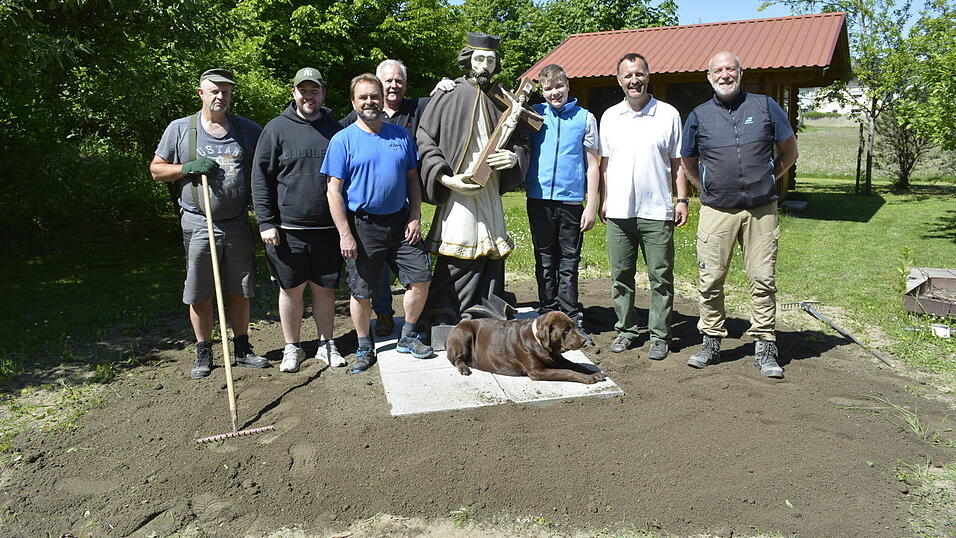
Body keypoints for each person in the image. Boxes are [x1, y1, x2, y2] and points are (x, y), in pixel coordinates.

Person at [681, 51, 798, 378]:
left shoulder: (764, 106)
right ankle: (711, 340)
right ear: (709, 76)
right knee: (711, 279)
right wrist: (703, 187)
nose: (724, 75)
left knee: (763, 278)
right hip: (716, 211)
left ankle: (765, 344)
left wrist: (769, 176)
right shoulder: (699, 116)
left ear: (740, 73)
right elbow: (688, 161)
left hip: (761, 211)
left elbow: (790, 151)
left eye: (729, 69)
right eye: (717, 70)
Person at [149, 68, 269, 379]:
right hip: (199, 222)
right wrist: (187, 167)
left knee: (241, 287)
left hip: (237, 222)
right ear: (201, 93)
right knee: (200, 289)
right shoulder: (181, 130)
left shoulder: (246, 130)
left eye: (225, 91)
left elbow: (268, 163)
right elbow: (156, 170)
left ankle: (242, 347)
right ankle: (204, 350)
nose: (220, 96)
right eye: (214, 91)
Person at [324, 73, 434, 374]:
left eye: (375, 96)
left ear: (382, 98)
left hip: (401, 223)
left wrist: (415, 216)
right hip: (362, 227)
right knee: (362, 292)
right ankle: (363, 346)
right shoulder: (343, 140)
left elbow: (413, 179)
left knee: (421, 277)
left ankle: (408, 335)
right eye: (364, 97)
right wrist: (345, 233)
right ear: (354, 101)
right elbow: (333, 190)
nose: (370, 102)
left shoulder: (400, 136)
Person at [417, 32, 530, 323]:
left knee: (490, 249)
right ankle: (445, 309)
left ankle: (486, 306)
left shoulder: (504, 99)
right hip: (459, 186)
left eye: (491, 60)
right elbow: (424, 138)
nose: (484, 65)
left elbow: (520, 138)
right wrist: (443, 177)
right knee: (458, 245)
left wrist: (514, 158)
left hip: (489, 186)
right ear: (468, 61)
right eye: (479, 58)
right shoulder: (449, 93)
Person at [341, 60, 454, 338]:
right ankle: (383, 317)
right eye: (388, 81)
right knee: (372, 278)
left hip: (402, 212)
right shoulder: (348, 127)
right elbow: (335, 179)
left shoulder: (417, 109)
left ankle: (411, 329)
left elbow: (444, 105)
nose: (394, 85)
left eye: (398, 81)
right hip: (365, 219)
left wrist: (445, 88)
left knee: (417, 273)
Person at [251, 67, 346, 374]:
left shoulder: (335, 130)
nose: (309, 96)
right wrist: (266, 221)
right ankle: (293, 347)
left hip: (328, 229)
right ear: (293, 92)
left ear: (323, 93)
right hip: (287, 229)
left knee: (324, 289)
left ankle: (325, 344)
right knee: (291, 289)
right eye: (303, 90)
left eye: (314, 90)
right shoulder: (276, 129)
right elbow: (260, 178)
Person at [599, 53, 687, 360]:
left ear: (648, 76)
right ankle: (626, 330)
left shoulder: (667, 114)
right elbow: (605, 164)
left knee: (660, 277)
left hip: (657, 210)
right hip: (620, 212)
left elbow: (678, 164)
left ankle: (661, 334)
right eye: (627, 75)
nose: (634, 80)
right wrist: (606, 199)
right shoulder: (610, 117)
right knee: (620, 275)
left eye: (639, 74)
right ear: (619, 80)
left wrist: (681, 200)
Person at [524, 64, 600, 330]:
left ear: (568, 86)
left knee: (568, 260)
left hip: (571, 201)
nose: (555, 93)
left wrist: (591, 204)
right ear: (542, 91)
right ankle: (547, 310)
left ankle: (569, 314)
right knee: (544, 258)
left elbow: (593, 164)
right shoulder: (534, 115)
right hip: (539, 198)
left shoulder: (585, 118)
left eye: (559, 86)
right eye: (548, 89)